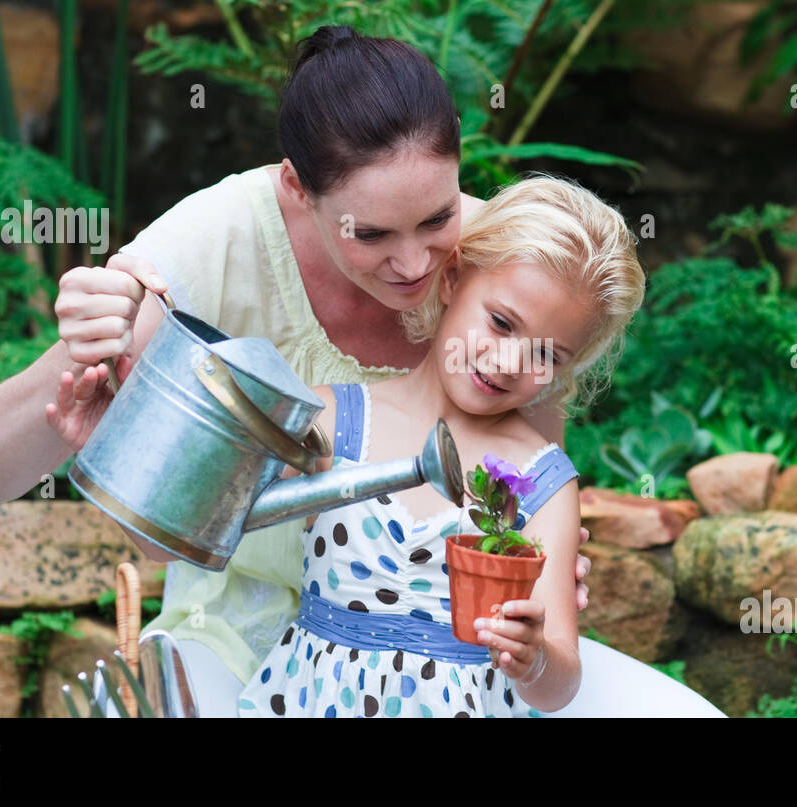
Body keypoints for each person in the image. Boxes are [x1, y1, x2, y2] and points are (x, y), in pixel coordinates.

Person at [0, 25, 723, 717]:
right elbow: (58, 496)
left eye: (436, 220)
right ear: (298, 186)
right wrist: (100, 404)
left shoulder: (508, 263)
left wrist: (540, 596)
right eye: (372, 233)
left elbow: (533, 493)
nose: (416, 265)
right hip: (258, 642)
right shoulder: (218, 245)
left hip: (462, 677)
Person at [240, 175, 632, 717]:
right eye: (500, 323)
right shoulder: (334, 419)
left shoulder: (543, 482)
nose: (507, 362)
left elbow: (560, 685)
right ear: (451, 278)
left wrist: (535, 658)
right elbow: (212, 505)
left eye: (548, 355)